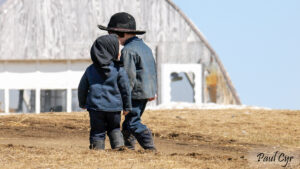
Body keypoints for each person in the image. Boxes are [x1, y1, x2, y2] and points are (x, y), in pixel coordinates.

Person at [98, 12, 157, 151]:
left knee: (133, 122)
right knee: (129, 123)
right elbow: (151, 70)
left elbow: (128, 78)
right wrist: (152, 90)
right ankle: (128, 149)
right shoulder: (145, 48)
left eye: (112, 34)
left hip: (135, 94)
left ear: (121, 33)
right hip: (145, 91)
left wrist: (125, 100)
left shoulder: (128, 51)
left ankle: (150, 148)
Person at [78, 34, 132, 150]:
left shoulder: (90, 69)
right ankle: (119, 149)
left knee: (97, 131)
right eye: (117, 49)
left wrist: (82, 103)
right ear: (110, 51)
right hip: (114, 108)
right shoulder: (119, 70)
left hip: (95, 108)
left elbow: (82, 87)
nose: (119, 52)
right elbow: (125, 89)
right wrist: (127, 107)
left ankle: (97, 153)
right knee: (115, 129)